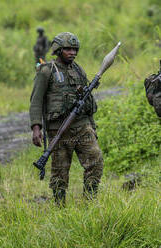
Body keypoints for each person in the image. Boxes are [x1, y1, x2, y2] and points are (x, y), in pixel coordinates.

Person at [29, 32, 104, 206]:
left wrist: (92, 126)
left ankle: (90, 202)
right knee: (60, 171)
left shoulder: (78, 69)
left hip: (82, 126)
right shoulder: (47, 71)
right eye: (68, 49)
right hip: (59, 129)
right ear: (58, 50)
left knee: (96, 160)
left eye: (75, 49)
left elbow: (86, 99)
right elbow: (36, 100)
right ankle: (59, 207)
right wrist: (36, 127)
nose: (72, 53)